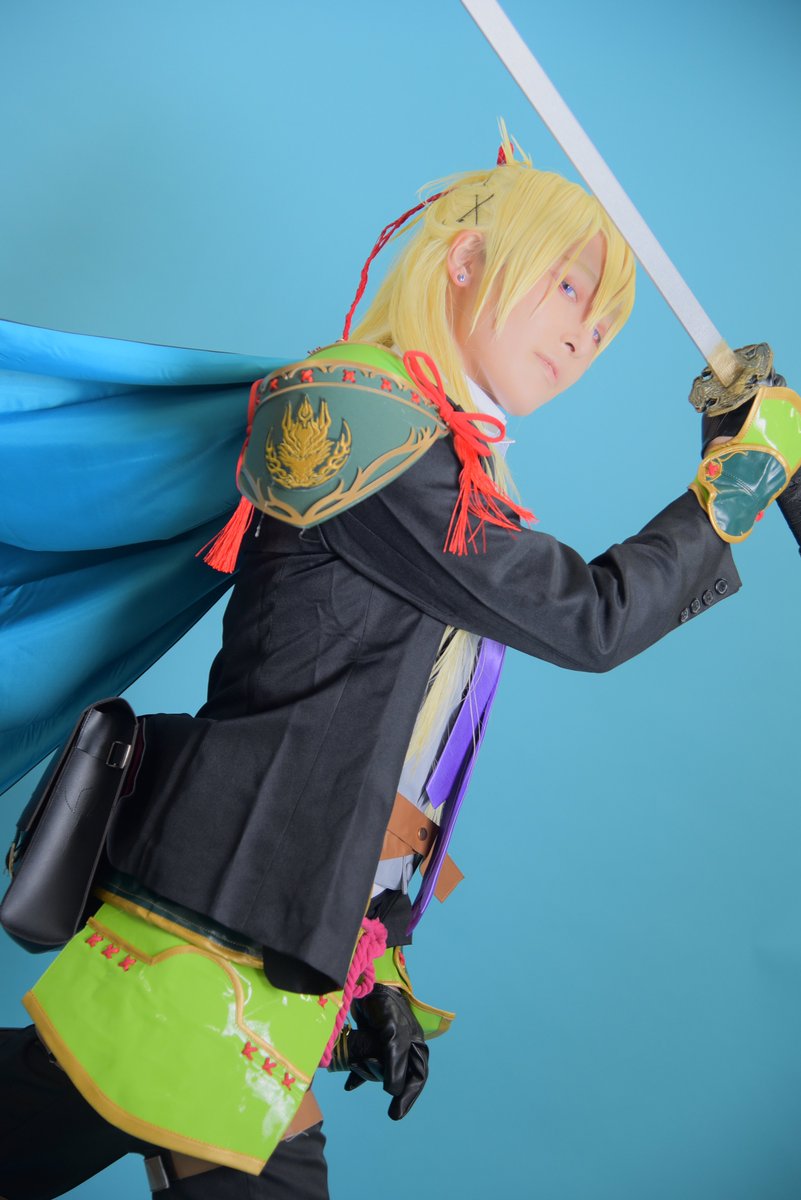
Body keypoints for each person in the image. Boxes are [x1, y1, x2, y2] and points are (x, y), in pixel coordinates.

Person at [1, 126, 798, 1199]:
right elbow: (588, 622)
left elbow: (374, 735)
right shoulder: (366, 425)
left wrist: (365, 951)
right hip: (219, 920)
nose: (583, 335)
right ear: (465, 261)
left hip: (256, 919)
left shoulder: (433, 453)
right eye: (568, 287)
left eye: (604, 324)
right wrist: (735, 484)